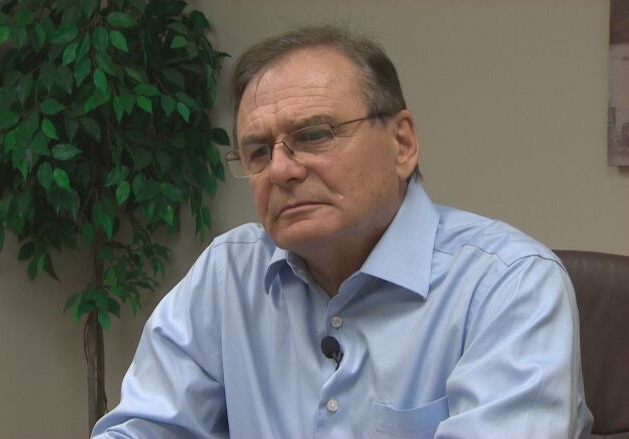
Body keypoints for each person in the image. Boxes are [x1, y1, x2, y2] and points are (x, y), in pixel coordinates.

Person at [92, 25, 593, 438]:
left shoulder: (509, 285)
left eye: (314, 135)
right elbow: (143, 429)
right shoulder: (228, 274)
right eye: (259, 151)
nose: (282, 170)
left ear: (402, 144)